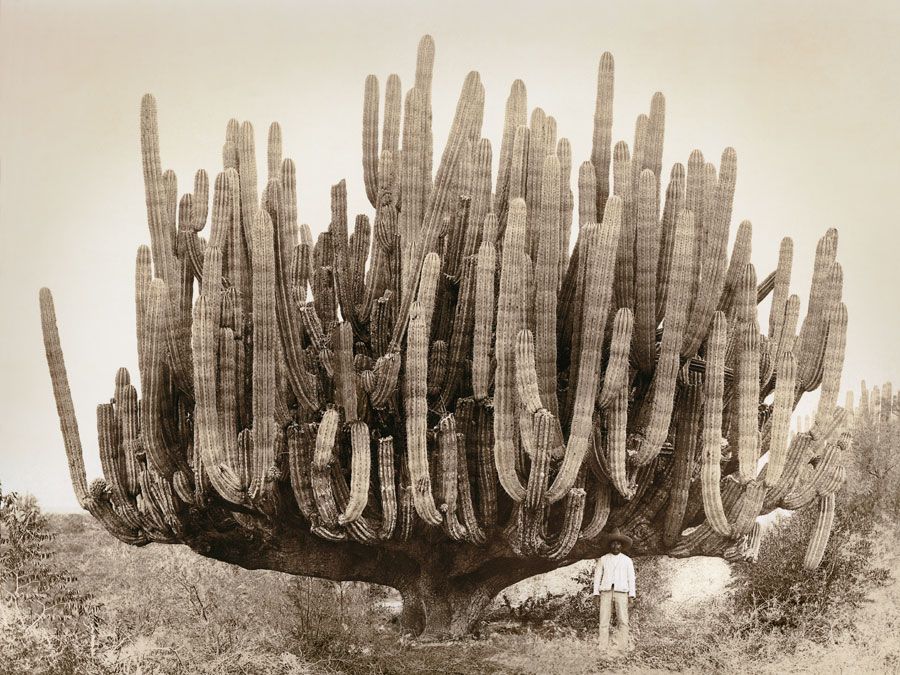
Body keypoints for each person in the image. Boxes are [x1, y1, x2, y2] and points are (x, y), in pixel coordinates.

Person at [592, 528, 635, 653]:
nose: (616, 546)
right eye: (613, 543)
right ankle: (602, 647)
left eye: (618, 544)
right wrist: (596, 594)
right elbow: (597, 577)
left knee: (623, 620)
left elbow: (631, 578)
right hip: (606, 591)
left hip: (621, 592)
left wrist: (631, 595)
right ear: (610, 545)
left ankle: (622, 646)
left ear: (622, 546)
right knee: (604, 620)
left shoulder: (627, 560)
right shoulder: (603, 559)